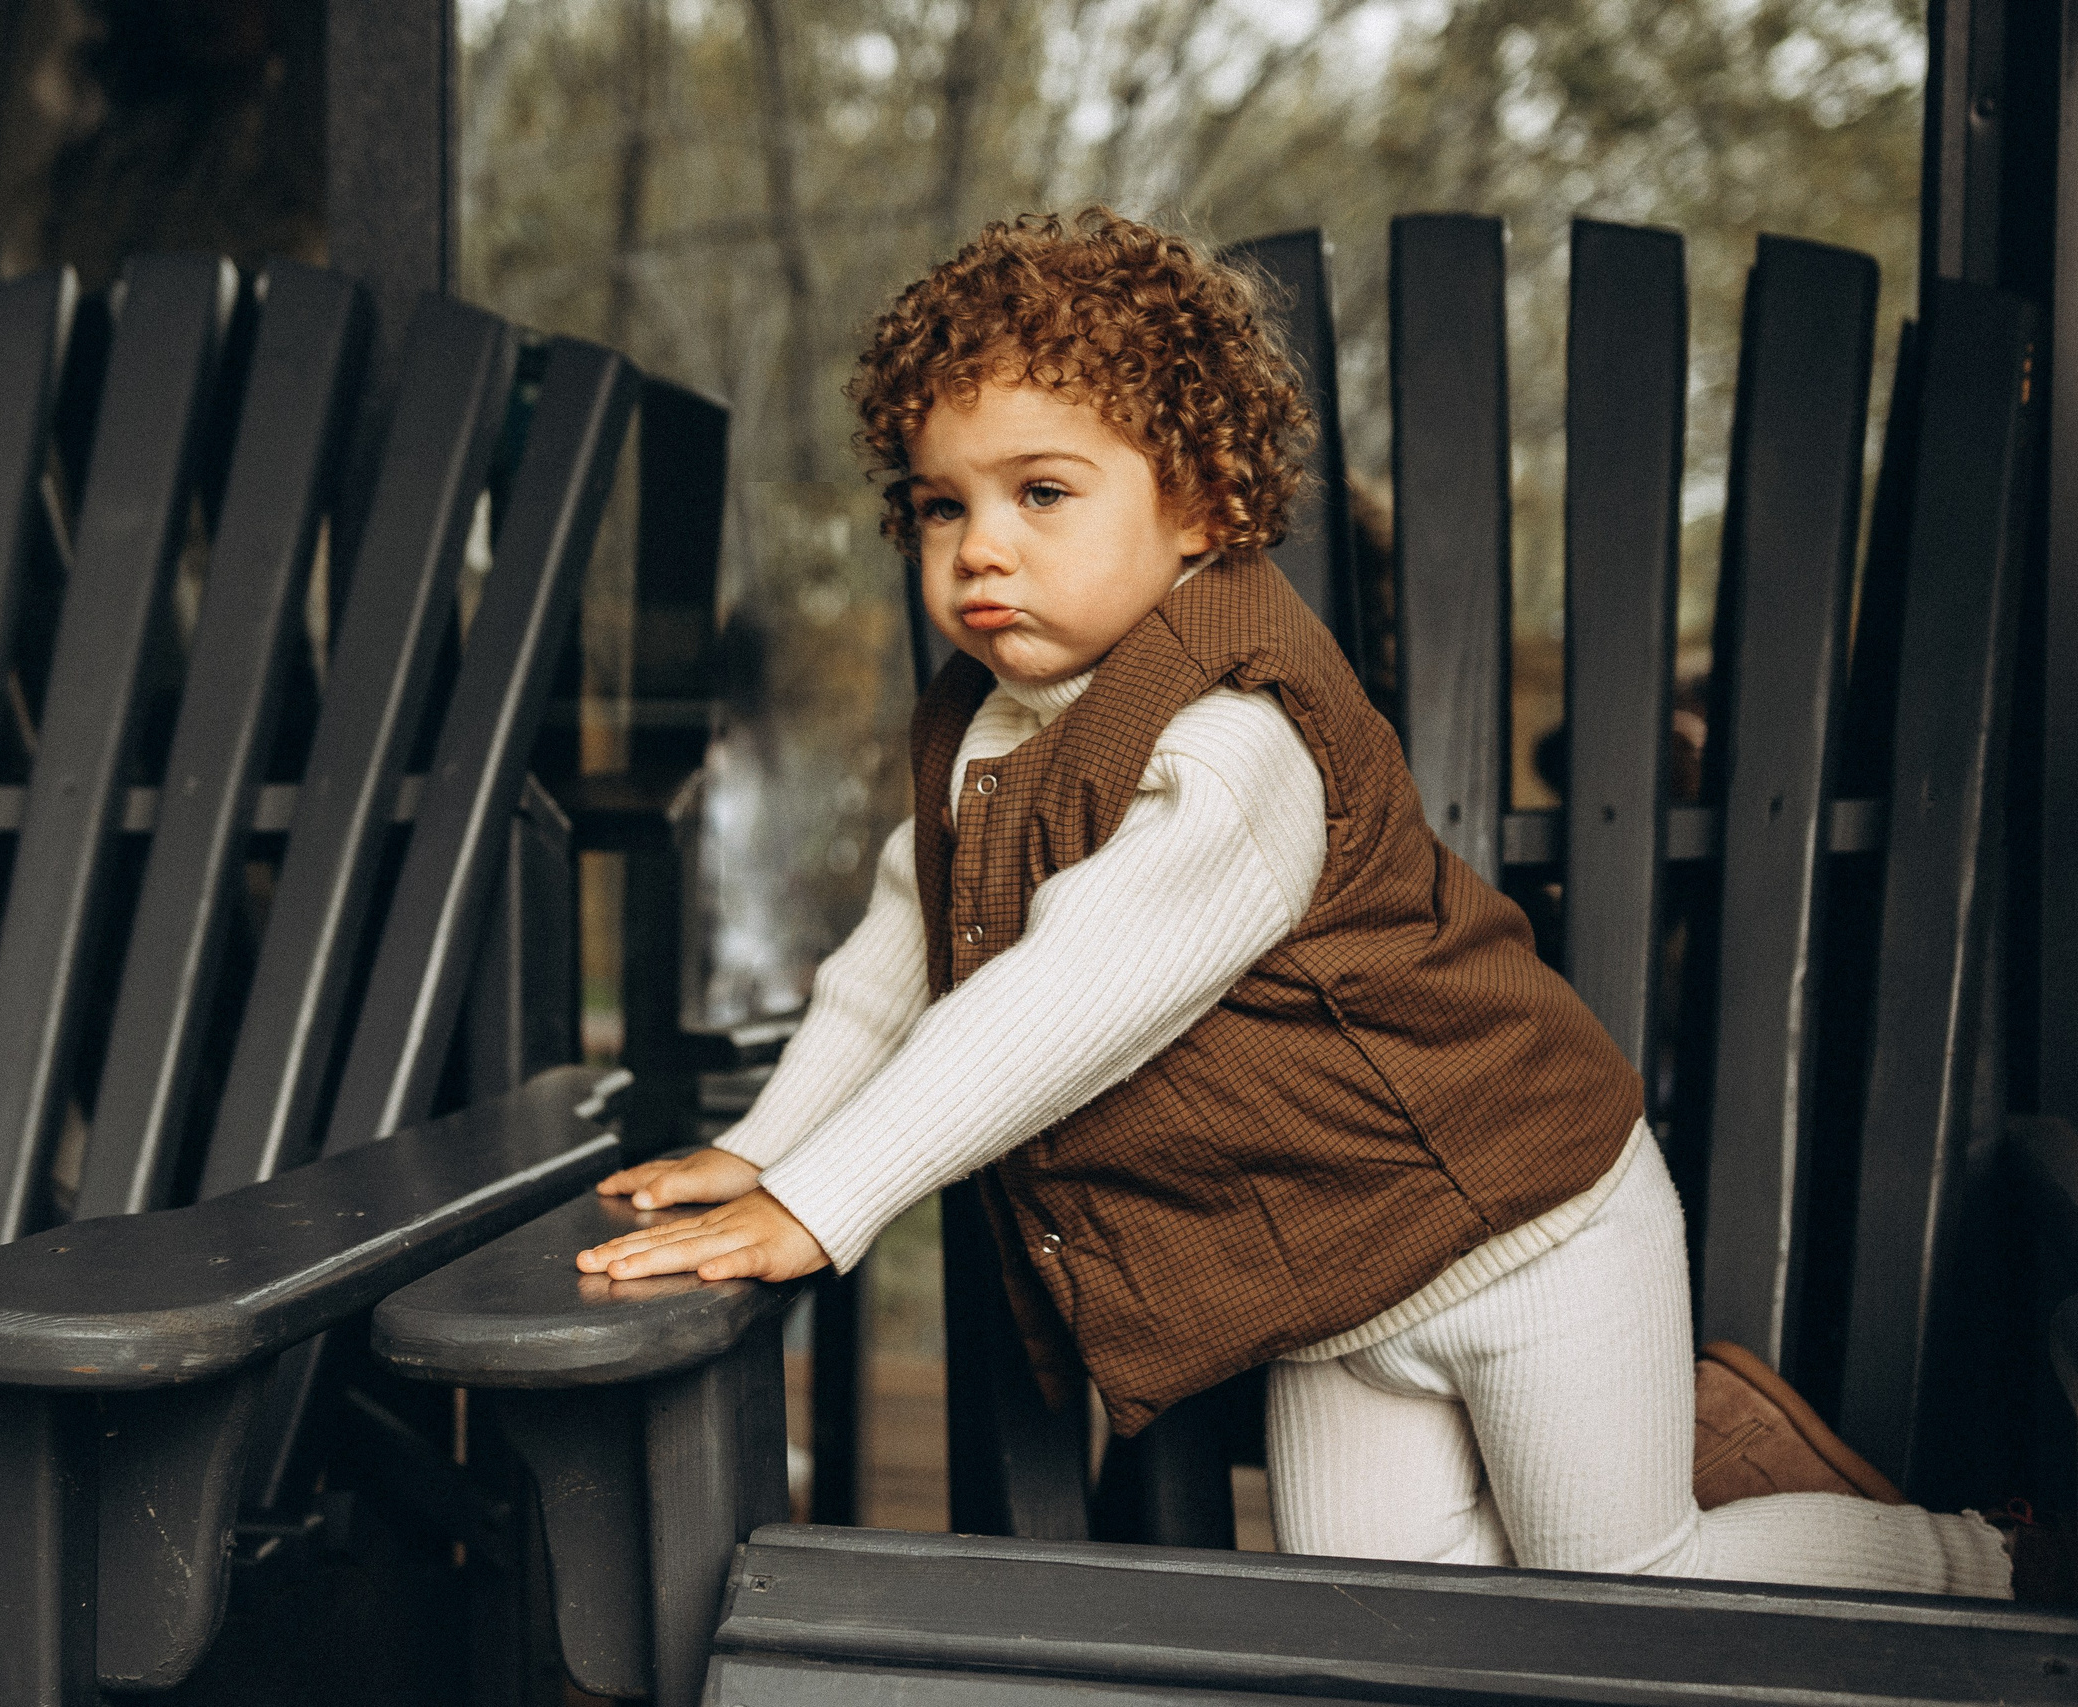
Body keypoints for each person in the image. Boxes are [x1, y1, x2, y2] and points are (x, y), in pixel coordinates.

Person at [574, 208, 2023, 1598]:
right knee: (1379, 1611)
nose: (980, 548)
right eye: (942, 504)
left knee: (1626, 1581)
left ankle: (1989, 1565)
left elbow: (1051, 1006)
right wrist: (771, 1149)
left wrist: (827, 1206)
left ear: (1200, 502)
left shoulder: (1235, 741)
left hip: (1526, 1222)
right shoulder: (994, 725)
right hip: (1334, 1277)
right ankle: (1745, 1480)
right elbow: (902, 952)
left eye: (1042, 492)